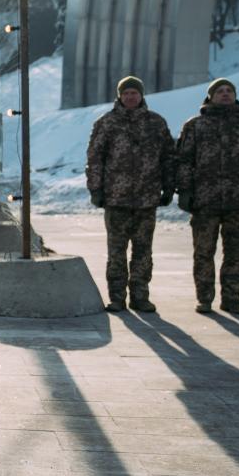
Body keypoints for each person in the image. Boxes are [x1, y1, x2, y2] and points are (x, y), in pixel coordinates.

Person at [176, 78, 239, 314]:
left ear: (235, 95)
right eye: (220, 91)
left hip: (238, 201)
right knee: (204, 252)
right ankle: (205, 299)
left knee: (235, 254)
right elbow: (184, 161)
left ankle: (231, 299)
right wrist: (184, 191)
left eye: (229, 91)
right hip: (204, 202)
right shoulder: (195, 126)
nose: (225, 94)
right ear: (211, 96)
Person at [84, 76, 175, 312]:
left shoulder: (156, 123)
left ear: (142, 95)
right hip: (116, 199)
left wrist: (169, 186)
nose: (130, 97)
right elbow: (95, 159)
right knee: (116, 252)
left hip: (147, 199)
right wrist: (96, 189)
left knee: (143, 251)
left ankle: (140, 296)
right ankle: (116, 297)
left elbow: (168, 157)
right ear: (119, 96)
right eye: (126, 93)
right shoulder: (107, 123)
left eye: (134, 93)